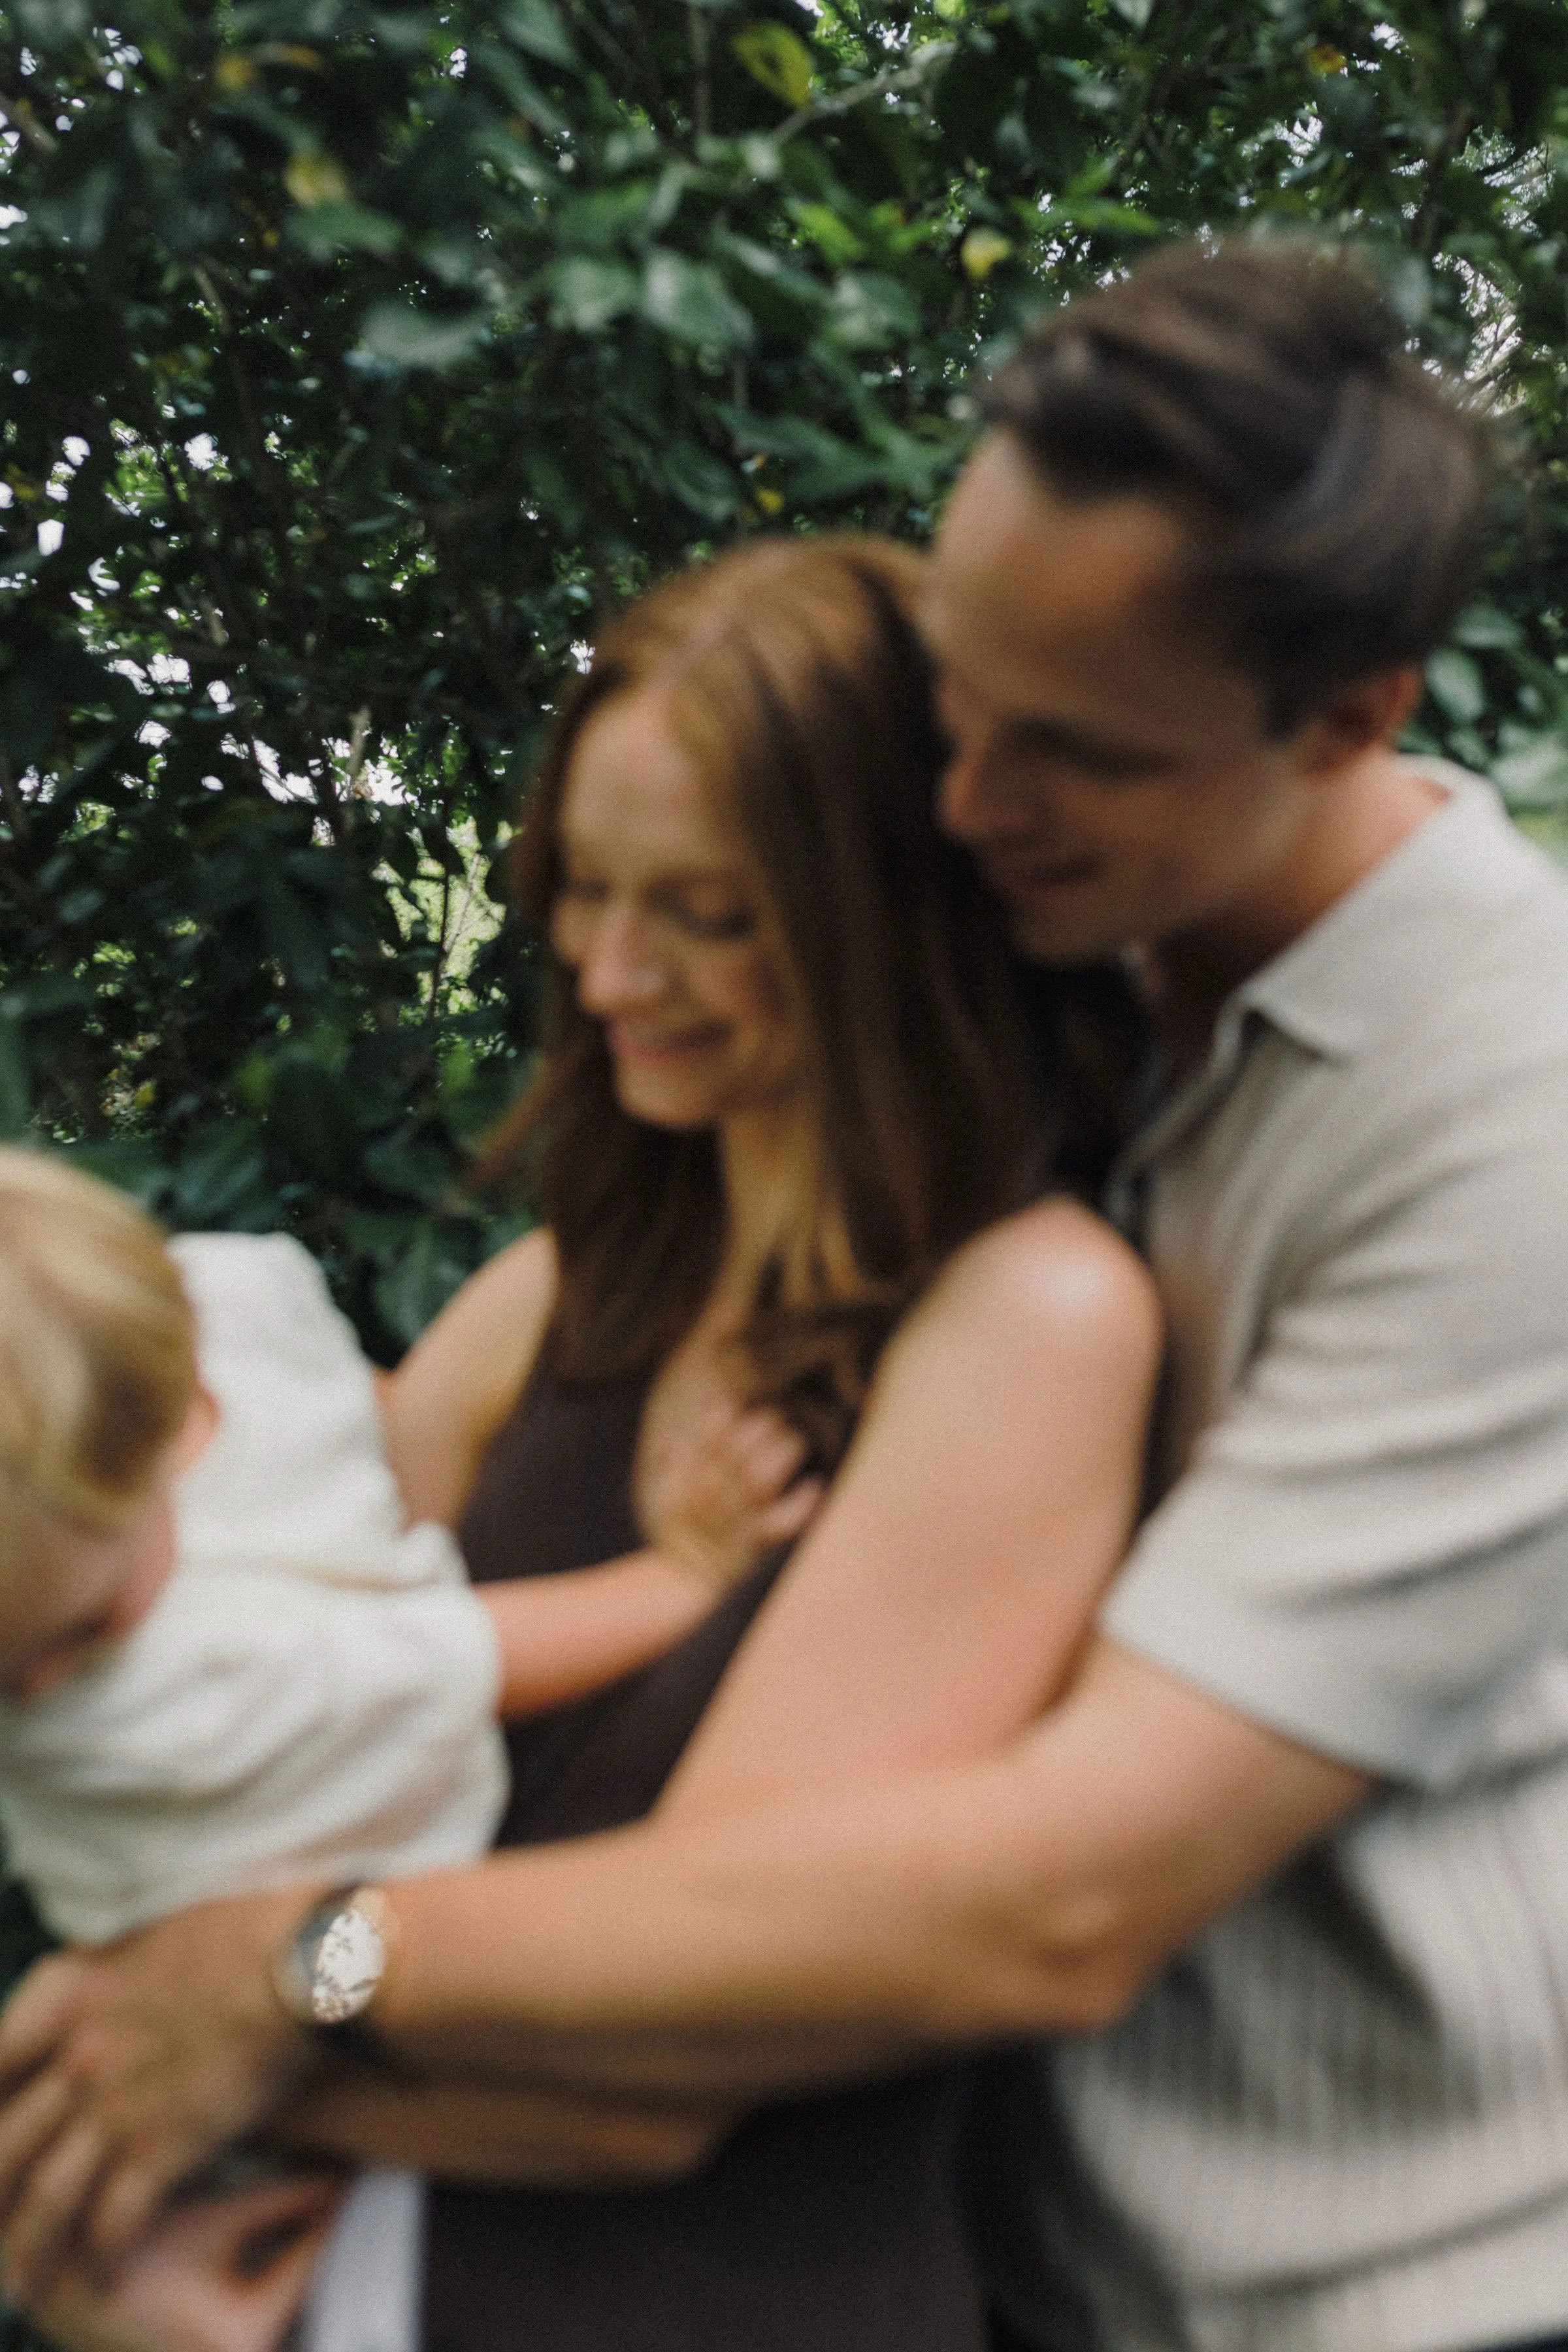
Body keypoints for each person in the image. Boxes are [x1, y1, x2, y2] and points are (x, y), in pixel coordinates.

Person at [3, 236, 1556, 2352]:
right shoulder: (1020, 992)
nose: (969, 807)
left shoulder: (1488, 1128)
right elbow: (256, 1683)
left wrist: (285, 1979)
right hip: (996, 2265)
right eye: (954, 716)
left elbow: (1041, 1900)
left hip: (1356, 2288)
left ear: (1349, 717)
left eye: (1064, 748)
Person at [0, 536, 1159, 2351]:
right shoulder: (553, 1301)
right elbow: (237, 1706)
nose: (613, 972)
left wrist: (179, 2034)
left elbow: (653, 2072)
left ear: (885, 915)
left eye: (705, 910)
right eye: (583, 891)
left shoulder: (1022, 1328)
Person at [0, 1151, 817, 2344]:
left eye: (72, 1632)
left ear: (163, 1408)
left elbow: (350, 1442)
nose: (38, 1696)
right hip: (237, 2067)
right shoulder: (174, 1687)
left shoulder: (235, 1310)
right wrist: (680, 1575)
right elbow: (473, 1654)